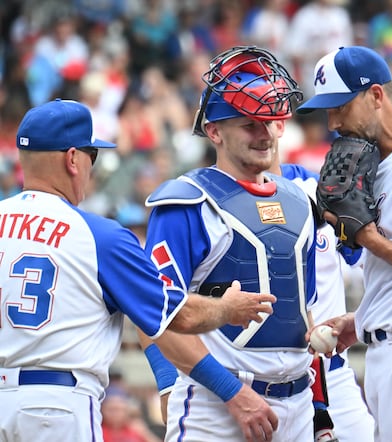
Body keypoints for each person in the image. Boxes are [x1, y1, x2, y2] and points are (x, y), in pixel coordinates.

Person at [0, 98, 277, 442]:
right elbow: (176, 317)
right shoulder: (98, 235)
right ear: (72, 159)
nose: (91, 166)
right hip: (54, 409)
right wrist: (227, 308)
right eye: (92, 155)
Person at [141, 46, 318, 442]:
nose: (265, 133)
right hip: (217, 405)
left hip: (297, 403)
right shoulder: (185, 202)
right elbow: (155, 317)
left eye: (271, 121)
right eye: (250, 124)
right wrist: (231, 393)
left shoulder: (301, 201)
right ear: (215, 131)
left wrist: (319, 409)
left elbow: (302, 318)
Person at [296, 45, 392, 441]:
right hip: (388, 346)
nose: (332, 121)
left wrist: (369, 239)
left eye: (341, 107)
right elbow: (389, 275)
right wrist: (359, 321)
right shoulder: (372, 160)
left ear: (376, 96)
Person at [268, 123, 376, 442]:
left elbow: (370, 263)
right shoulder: (213, 202)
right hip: (265, 379)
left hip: (333, 373)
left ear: (279, 125)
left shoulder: (315, 188)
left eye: (267, 119)